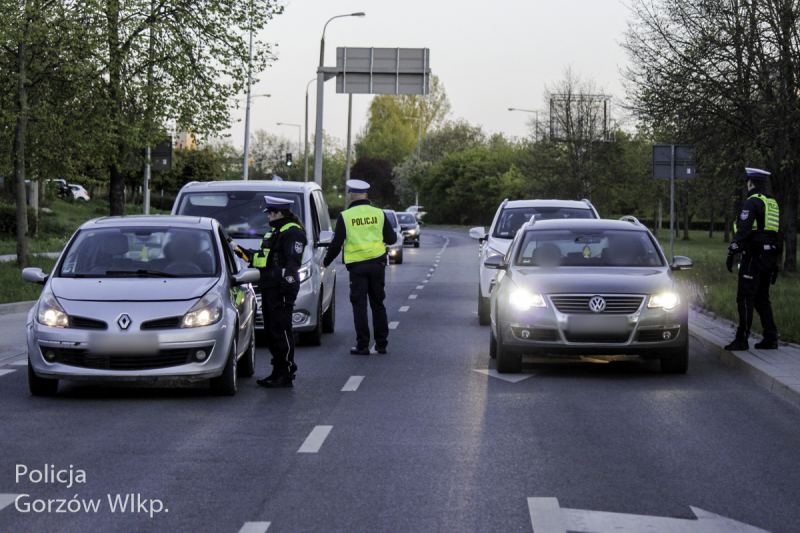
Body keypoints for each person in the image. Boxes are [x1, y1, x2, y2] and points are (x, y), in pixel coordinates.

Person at [237, 196, 307, 387]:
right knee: (271, 332)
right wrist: (237, 250)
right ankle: (277, 370)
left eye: (270, 213)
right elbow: (260, 259)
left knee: (281, 330)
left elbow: (293, 262)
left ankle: (285, 372)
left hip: (281, 288)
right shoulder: (274, 233)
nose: (268, 217)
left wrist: (288, 283)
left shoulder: (292, 232)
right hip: (269, 287)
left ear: (278, 213)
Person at [323, 179, 398, 355]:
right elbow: (392, 239)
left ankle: (362, 345)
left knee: (360, 306)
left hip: (357, 269)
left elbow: (336, 244)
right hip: (377, 265)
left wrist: (326, 262)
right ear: (366, 195)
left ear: (351, 196)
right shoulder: (379, 214)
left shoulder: (345, 216)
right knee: (378, 304)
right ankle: (381, 344)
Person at [724, 168, 781, 351]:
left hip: (753, 258)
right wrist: (776, 261)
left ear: (750, 183)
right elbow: (776, 233)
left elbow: (744, 230)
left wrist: (732, 251)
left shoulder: (752, 202)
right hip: (769, 257)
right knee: (761, 298)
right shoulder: (772, 203)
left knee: (745, 298)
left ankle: (742, 339)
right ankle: (770, 338)